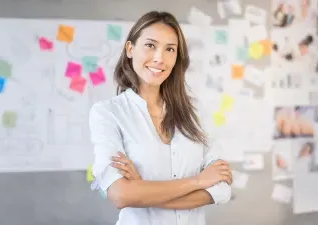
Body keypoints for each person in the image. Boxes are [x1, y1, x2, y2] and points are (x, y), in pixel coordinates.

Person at [88, 11, 232, 225]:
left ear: (176, 58)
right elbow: (121, 195)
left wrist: (143, 189)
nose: (159, 58)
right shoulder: (108, 113)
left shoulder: (195, 111)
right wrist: (199, 181)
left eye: (170, 49)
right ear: (130, 49)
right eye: (150, 45)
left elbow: (222, 188)